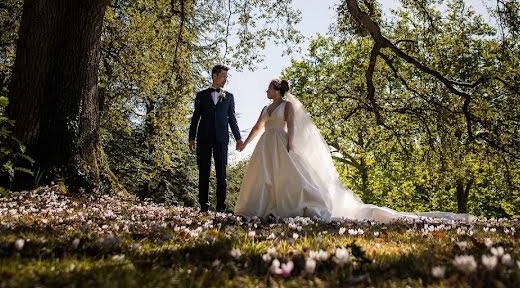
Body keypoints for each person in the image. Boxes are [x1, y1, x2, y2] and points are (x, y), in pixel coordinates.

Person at [234, 78, 471, 222]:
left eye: (268, 88)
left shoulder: (287, 107)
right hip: (265, 145)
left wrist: (291, 146)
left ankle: (290, 207)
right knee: (263, 177)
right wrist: (244, 143)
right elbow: (257, 127)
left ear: (276, 89)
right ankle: (261, 208)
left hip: (281, 144)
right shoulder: (266, 108)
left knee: (287, 178)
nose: (266, 91)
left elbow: (293, 127)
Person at [189, 64, 244, 213]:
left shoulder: (229, 97)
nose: (225, 79)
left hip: (221, 139)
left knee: (222, 174)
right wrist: (191, 137)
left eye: (227, 77)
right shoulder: (201, 96)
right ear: (214, 76)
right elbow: (196, 118)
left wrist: (239, 139)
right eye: (223, 76)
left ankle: (221, 208)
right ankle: (203, 207)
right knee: (204, 173)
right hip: (203, 138)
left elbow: (232, 119)